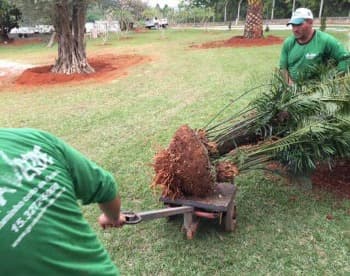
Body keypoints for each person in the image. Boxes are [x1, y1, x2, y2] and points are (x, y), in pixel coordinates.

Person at [0, 128, 126, 275]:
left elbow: (104, 186)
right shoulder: (31, 139)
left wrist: (113, 218)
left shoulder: (32, 139)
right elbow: (105, 187)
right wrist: (113, 217)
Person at [279, 7, 350, 85]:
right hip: (293, 89)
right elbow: (283, 68)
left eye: (299, 25)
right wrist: (290, 85)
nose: (295, 29)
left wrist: (335, 81)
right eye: (293, 25)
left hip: (316, 91)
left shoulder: (325, 40)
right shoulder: (288, 43)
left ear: (310, 22)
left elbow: (345, 58)